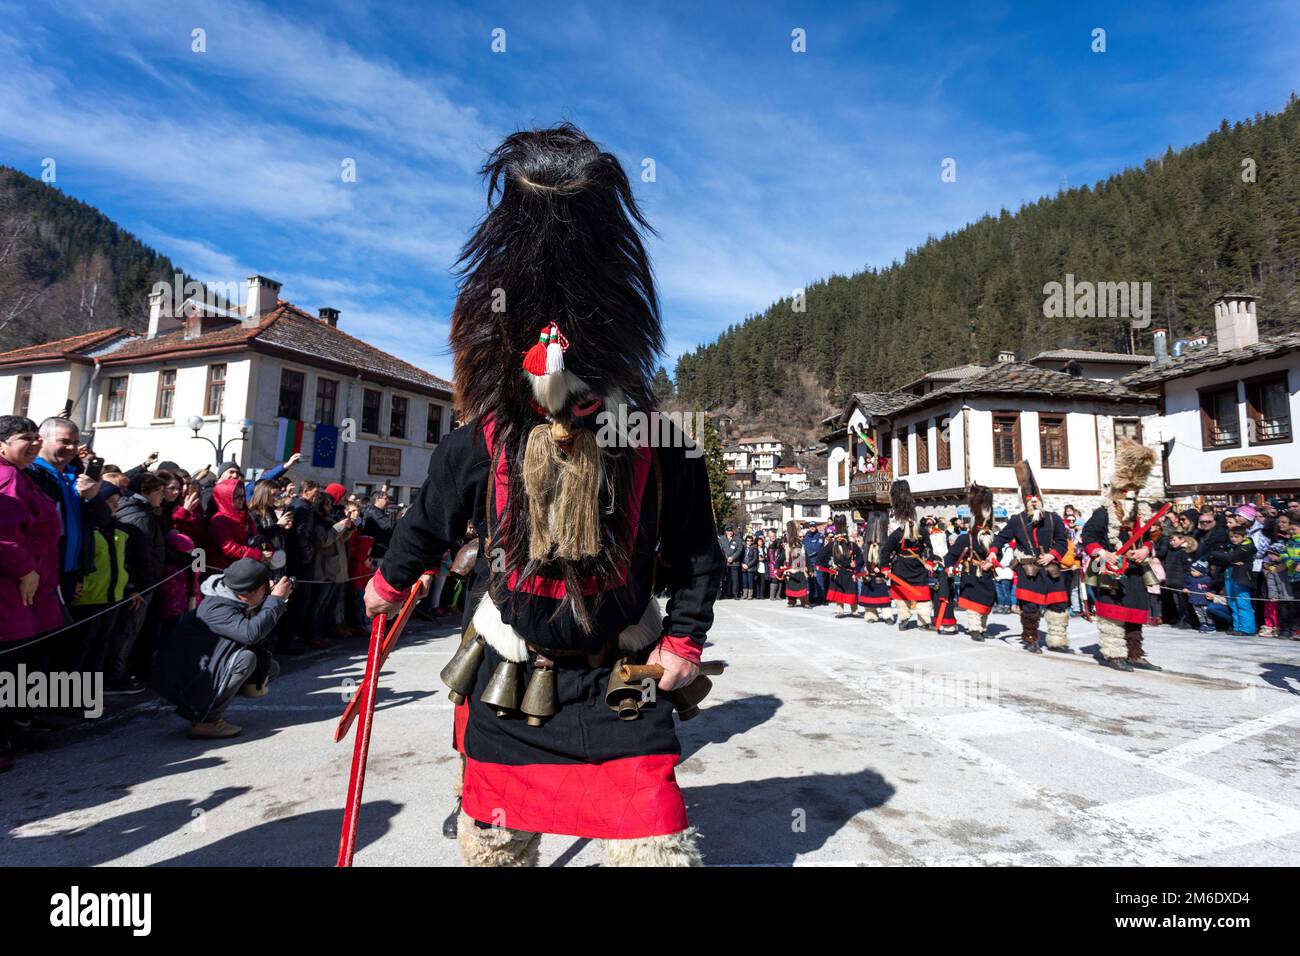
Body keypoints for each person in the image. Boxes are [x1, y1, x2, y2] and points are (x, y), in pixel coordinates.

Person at [363, 124, 722, 867]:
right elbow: (428, 522)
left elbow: (695, 554)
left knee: (654, 840)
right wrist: (386, 583)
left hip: (626, 673)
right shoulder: (484, 438)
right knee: (496, 842)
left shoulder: (662, 442)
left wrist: (684, 643)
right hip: (514, 669)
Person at [152, 558, 291, 739]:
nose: (267, 592)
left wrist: (271, 599)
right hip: (183, 677)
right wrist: (276, 600)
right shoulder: (217, 608)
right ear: (249, 592)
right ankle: (206, 720)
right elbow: (251, 633)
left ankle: (200, 707)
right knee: (246, 660)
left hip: (201, 668)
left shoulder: (231, 596)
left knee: (266, 667)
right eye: (263, 588)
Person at [0, 416, 67, 757]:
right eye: (26, 438)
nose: (36, 444)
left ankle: (16, 730)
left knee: (23, 664)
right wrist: (26, 570)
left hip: (31, 588)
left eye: (37, 437)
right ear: (2, 445)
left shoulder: (20, 475)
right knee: (11, 667)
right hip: (13, 588)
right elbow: (4, 535)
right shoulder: (6, 476)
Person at [1081, 440, 1164, 670]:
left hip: (1136, 570)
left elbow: (1152, 536)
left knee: (1136, 612)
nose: (1130, 499)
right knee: (1112, 614)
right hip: (1112, 570)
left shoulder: (1141, 516)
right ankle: (1114, 654)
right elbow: (1088, 537)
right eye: (1127, 494)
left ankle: (1135, 653)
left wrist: (1146, 548)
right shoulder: (1102, 513)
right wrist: (1102, 553)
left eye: (1133, 495)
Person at [992, 461, 1070, 654]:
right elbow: (1001, 537)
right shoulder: (1017, 520)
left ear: (1041, 500)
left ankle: (1057, 640)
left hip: (1050, 568)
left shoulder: (1054, 519)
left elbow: (1062, 541)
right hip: (1028, 569)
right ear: (1025, 501)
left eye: (1036, 499)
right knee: (1030, 608)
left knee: (1059, 604)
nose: (1034, 501)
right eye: (1030, 499)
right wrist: (993, 551)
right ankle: (1030, 639)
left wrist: (1053, 554)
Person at [71, 482, 130, 674]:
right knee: (80, 649)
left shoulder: (119, 529)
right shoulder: (86, 528)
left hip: (112, 597)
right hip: (88, 598)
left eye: (117, 502)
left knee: (101, 647)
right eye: (110, 501)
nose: (116, 506)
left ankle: (92, 694)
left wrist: (131, 587)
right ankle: (72, 697)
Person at [881, 481, 933, 630]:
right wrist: (885, 567)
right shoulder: (897, 535)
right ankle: (904, 618)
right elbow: (886, 551)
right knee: (901, 597)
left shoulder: (922, 532)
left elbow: (928, 548)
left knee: (923, 597)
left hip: (918, 569)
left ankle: (924, 621)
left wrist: (929, 561)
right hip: (900, 569)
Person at [948, 484, 997, 642]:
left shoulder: (993, 539)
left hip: (987, 574)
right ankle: (974, 629)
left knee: (986, 602)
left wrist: (992, 562)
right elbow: (951, 556)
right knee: (973, 603)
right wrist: (949, 567)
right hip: (971, 574)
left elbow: (999, 553)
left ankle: (982, 627)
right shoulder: (965, 538)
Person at [1207, 526, 1258, 636]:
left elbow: (1231, 557)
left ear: (1244, 537)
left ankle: (1247, 628)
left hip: (1241, 578)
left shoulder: (1247, 547)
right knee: (1232, 603)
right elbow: (1213, 555)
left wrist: (1228, 558)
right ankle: (1237, 627)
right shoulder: (1232, 546)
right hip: (1230, 576)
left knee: (1242, 603)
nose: (1233, 539)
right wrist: (1228, 560)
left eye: (1236, 537)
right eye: (1231, 537)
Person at [826, 531, 860, 617]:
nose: (839, 538)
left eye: (841, 536)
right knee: (839, 592)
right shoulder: (832, 545)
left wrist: (856, 563)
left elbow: (861, 556)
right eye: (837, 537)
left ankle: (854, 611)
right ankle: (840, 611)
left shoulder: (852, 545)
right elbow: (821, 557)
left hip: (850, 572)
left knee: (852, 591)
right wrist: (829, 566)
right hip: (839, 571)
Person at [781, 520, 809, 607]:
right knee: (790, 584)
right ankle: (791, 601)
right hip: (790, 564)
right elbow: (783, 555)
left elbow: (803, 555)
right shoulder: (788, 541)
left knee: (801, 584)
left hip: (799, 565)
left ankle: (804, 602)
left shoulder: (798, 542)